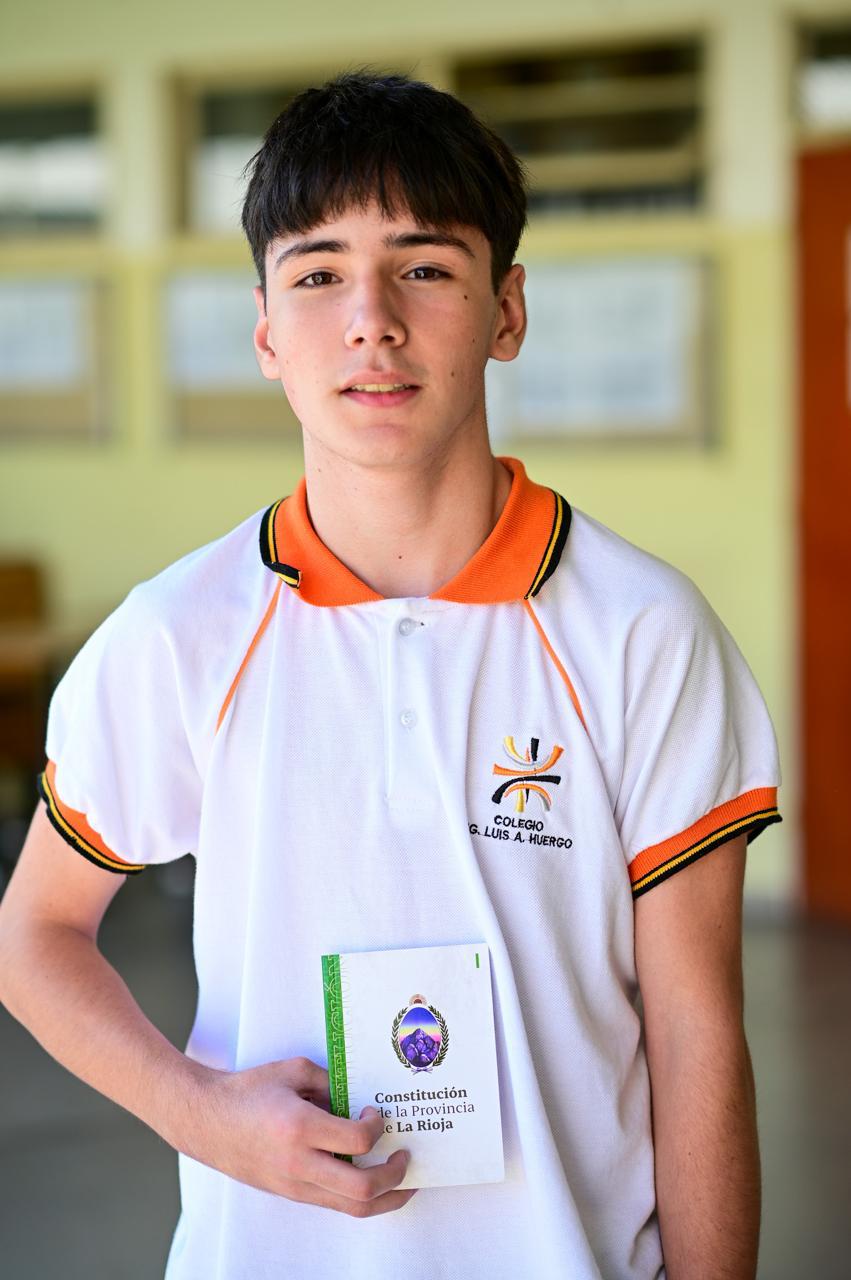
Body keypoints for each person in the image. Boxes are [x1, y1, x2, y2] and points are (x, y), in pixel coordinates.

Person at [0, 70, 782, 1279]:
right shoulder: (180, 633)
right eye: (317, 275)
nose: (370, 319)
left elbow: (695, 1032)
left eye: (423, 266)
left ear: (505, 310)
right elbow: (35, 935)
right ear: (265, 330)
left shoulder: (642, 630)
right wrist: (201, 1113)